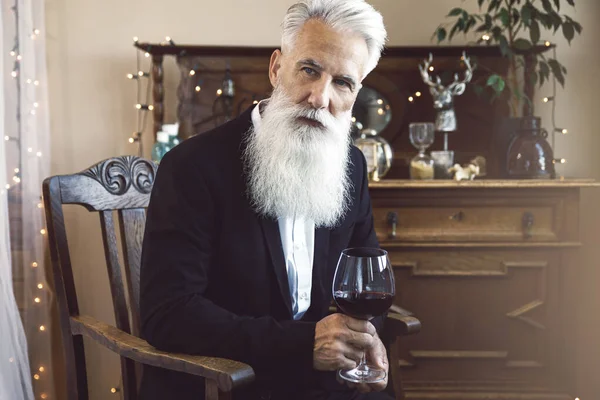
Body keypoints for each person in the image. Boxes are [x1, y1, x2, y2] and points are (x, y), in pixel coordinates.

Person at [139, 1, 391, 399]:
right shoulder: (192, 166)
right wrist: (302, 344)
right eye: (309, 69)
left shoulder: (352, 166)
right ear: (276, 67)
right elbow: (168, 314)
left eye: (343, 82)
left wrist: (372, 338)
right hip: (223, 385)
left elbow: (368, 279)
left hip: (321, 386)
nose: (319, 97)